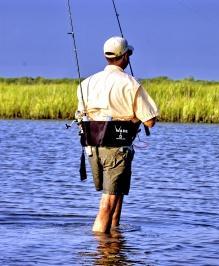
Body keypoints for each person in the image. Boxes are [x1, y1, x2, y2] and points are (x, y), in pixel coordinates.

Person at [76, 36, 158, 233]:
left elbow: (80, 115)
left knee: (116, 193)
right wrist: (133, 118)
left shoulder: (86, 83)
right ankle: (100, 253)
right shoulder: (131, 84)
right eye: (128, 53)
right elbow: (150, 121)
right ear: (125, 56)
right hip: (117, 148)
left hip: (92, 148)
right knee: (108, 201)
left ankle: (113, 243)